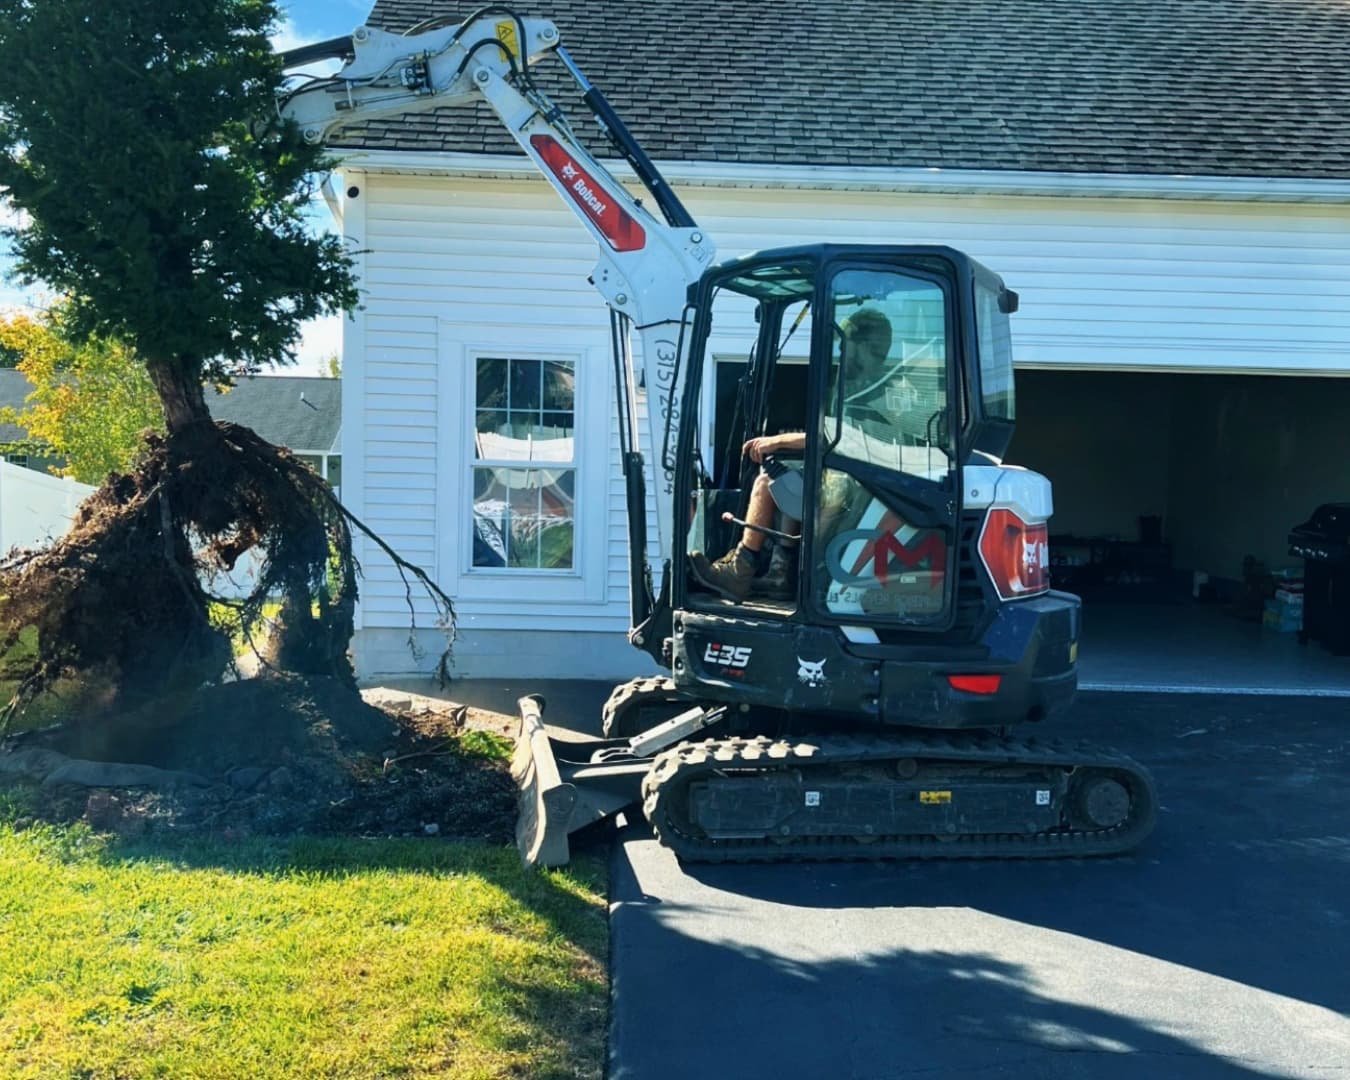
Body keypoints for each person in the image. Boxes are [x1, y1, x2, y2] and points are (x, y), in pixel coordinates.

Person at [689, 308, 894, 602]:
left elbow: (831, 436)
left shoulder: (872, 390)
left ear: (861, 346)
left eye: (844, 345)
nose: (841, 353)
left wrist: (774, 441)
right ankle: (780, 572)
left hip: (854, 492)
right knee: (784, 475)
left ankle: (740, 571)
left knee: (765, 483)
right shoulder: (872, 387)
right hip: (856, 486)